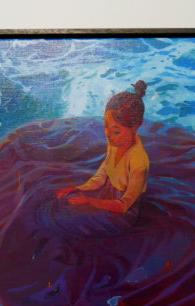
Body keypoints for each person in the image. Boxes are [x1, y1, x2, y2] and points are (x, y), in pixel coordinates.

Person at [55, 80, 150, 218]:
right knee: (63, 204)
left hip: (123, 213)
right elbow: (101, 175)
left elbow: (125, 205)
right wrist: (77, 188)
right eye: (106, 126)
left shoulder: (138, 161)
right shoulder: (115, 143)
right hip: (106, 196)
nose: (108, 135)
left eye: (116, 131)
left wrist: (90, 201)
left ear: (135, 127)